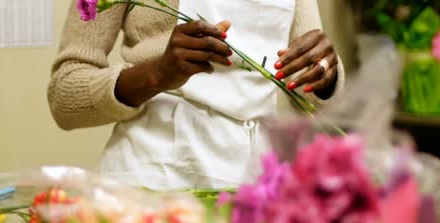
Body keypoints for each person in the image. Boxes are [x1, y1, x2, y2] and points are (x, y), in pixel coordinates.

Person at [48, 0, 344, 189]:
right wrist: (157, 75)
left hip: (255, 183)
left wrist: (326, 73)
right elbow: (65, 94)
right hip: (152, 178)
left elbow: (311, 82)